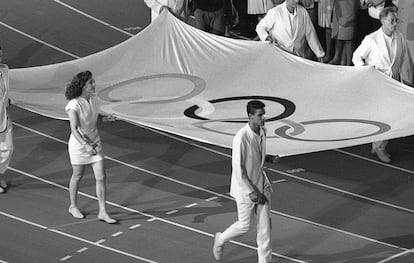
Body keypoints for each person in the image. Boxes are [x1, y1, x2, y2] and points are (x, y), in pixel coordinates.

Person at [213, 100, 279, 263]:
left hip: (261, 183)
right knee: (244, 226)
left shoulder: (263, 130)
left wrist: (268, 158)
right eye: (260, 115)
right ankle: (220, 239)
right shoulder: (241, 138)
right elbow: (238, 168)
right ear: (250, 116)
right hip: (245, 188)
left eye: (264, 114)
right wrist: (252, 191)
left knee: (265, 228)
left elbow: (256, 154)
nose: (264, 117)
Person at [352, 7, 413, 163]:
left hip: (394, 84)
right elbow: (356, 57)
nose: (394, 24)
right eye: (392, 21)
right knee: (383, 117)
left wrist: (408, 80)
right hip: (377, 84)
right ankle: (379, 147)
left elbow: (405, 59)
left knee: (393, 117)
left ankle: (377, 145)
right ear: (382, 21)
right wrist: (366, 73)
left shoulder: (400, 38)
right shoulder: (371, 39)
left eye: (396, 21)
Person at [65, 71, 117, 223]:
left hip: (95, 144)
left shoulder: (95, 99)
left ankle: (102, 211)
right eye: (91, 83)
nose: (94, 85)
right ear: (83, 86)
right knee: (77, 175)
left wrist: (108, 118)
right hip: (79, 146)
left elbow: (95, 118)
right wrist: (85, 145)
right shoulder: (73, 104)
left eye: (93, 82)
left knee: (101, 177)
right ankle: (73, 206)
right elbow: (74, 129)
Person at [256, 0, 325, 61]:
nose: (297, 1)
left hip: (298, 57)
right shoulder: (275, 12)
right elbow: (260, 27)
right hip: (280, 56)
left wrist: (319, 54)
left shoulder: (303, 12)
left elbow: (310, 34)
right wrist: (266, 37)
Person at [0, 46, 13, 194]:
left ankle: (0, 173)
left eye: (1, 56)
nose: (0, 59)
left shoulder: (4, 70)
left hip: (4, 116)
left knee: (8, 148)